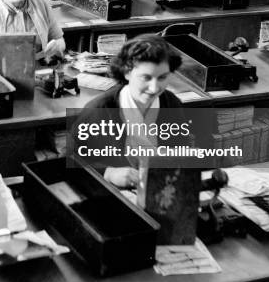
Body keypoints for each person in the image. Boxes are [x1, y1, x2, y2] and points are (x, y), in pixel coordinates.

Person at [74, 34, 186, 189]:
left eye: (162, 78)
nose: (154, 88)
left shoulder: (171, 103)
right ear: (127, 72)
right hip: (111, 191)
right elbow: (71, 159)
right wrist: (108, 173)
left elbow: (180, 148)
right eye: (146, 77)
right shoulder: (99, 110)